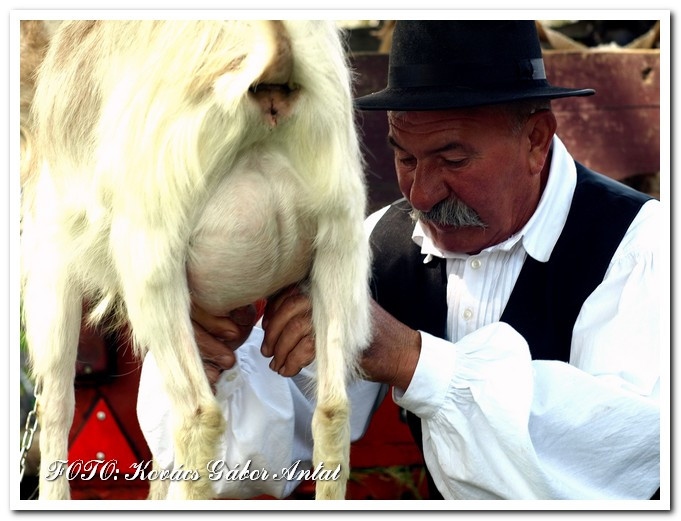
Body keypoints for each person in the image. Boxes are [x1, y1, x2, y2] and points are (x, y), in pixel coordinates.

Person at [137, 20, 661, 500]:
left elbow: (629, 451)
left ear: (536, 140)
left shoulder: (639, 243)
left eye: (453, 159)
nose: (423, 193)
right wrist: (212, 364)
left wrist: (412, 360)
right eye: (404, 157)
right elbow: (258, 458)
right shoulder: (382, 243)